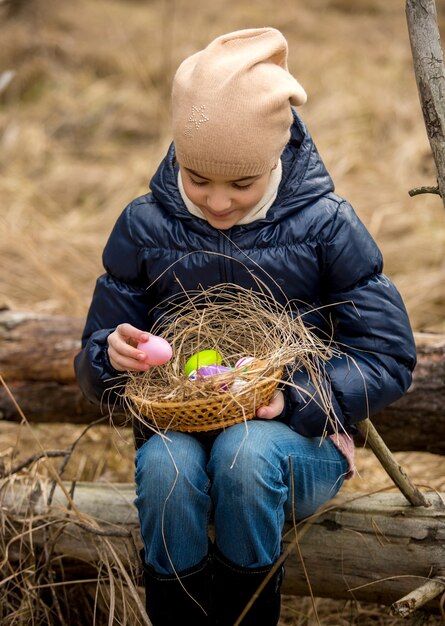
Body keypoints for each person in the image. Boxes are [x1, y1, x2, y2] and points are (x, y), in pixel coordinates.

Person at [74, 28, 416, 626]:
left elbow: (389, 356)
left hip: (298, 448)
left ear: (276, 158)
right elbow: (97, 364)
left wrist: (294, 398)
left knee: (242, 453)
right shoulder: (144, 226)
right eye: (198, 178)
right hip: (179, 434)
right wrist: (111, 356)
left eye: (241, 183)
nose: (218, 202)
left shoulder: (325, 226)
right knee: (166, 467)